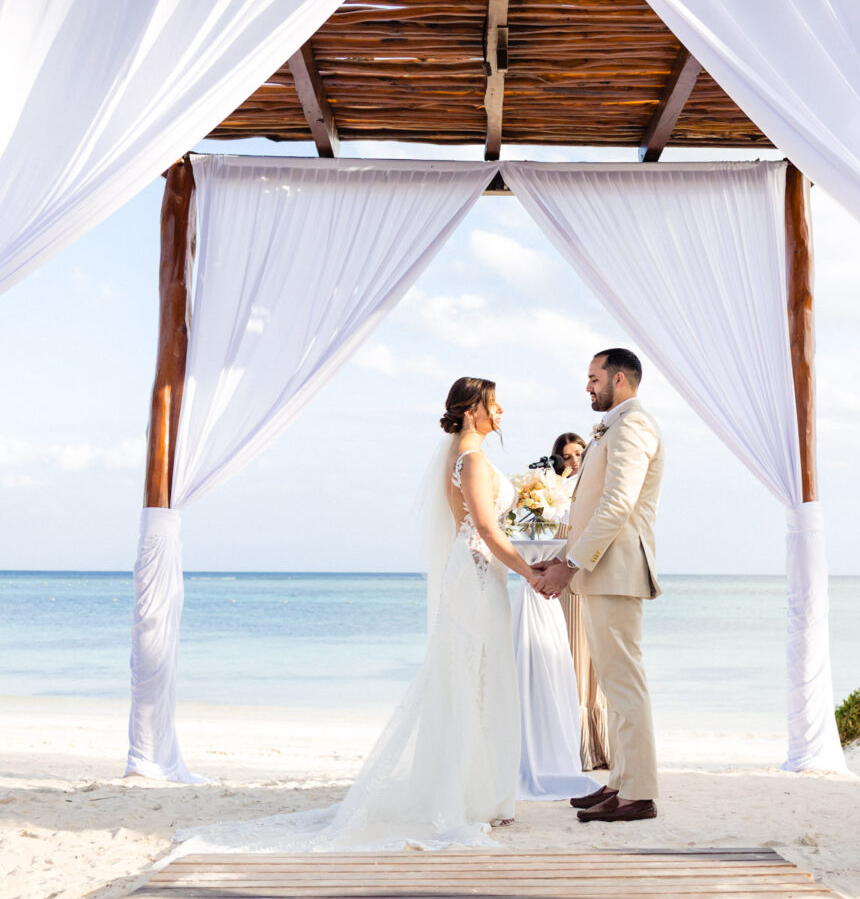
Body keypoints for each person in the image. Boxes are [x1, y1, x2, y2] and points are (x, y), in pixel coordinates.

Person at [175, 377, 537, 853]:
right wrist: (531, 573)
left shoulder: (465, 455)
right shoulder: (470, 459)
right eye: (494, 404)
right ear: (473, 410)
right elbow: (485, 530)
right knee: (471, 678)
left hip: (479, 572)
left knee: (478, 678)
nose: (501, 411)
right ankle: (463, 799)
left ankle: (478, 793)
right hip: (475, 575)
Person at [532, 347, 664, 824]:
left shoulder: (634, 425)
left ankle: (640, 794)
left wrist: (570, 565)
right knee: (612, 683)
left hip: (617, 569)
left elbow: (617, 505)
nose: (588, 386)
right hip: (600, 570)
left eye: (594, 377)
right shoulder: (615, 426)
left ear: (619, 379)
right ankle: (621, 783)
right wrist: (563, 555)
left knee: (624, 683)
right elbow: (590, 507)